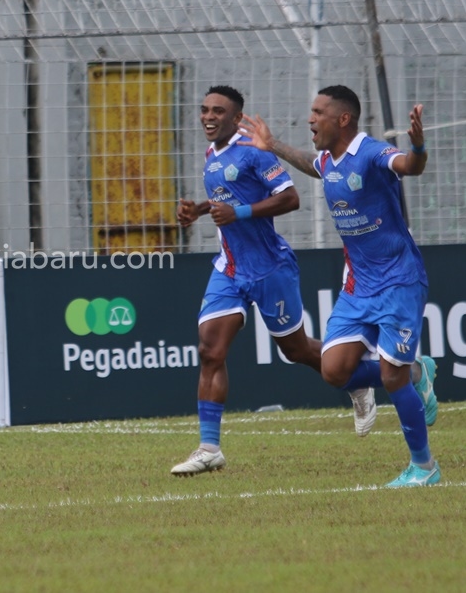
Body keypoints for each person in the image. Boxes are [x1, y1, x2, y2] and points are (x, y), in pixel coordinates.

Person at [170, 86, 375, 477]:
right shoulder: (211, 154)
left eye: (218, 111)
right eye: (204, 109)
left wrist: (240, 212)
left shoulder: (254, 152)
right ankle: (209, 448)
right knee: (210, 350)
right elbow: (225, 200)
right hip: (230, 269)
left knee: (296, 350)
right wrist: (199, 210)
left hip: (270, 269)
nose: (208, 117)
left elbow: (290, 197)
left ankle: (357, 380)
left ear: (236, 118)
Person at [239, 85, 439, 487]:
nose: (310, 118)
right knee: (333, 370)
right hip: (358, 285)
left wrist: (418, 148)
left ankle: (424, 466)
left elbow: (408, 166)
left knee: (390, 375)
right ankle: (418, 370)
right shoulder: (329, 160)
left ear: (342, 118)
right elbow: (314, 166)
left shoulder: (370, 152)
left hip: (399, 280)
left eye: (317, 112)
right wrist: (272, 143)